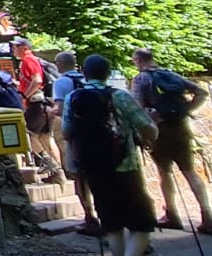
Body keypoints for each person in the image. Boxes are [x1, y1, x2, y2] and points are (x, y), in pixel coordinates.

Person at [65, 55, 158, 256]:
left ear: (85, 73)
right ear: (108, 74)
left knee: (112, 224)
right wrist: (149, 135)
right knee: (142, 224)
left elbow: (66, 132)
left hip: (93, 168)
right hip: (125, 166)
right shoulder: (119, 96)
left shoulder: (72, 98)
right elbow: (148, 128)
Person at [131, 48, 212, 234]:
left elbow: (138, 109)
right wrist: (185, 110)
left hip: (159, 132)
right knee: (190, 171)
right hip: (181, 128)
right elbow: (201, 93)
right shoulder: (170, 74)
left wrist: (147, 126)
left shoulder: (141, 79)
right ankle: (208, 215)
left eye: (134, 60)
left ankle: (172, 214)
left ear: (138, 60)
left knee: (164, 172)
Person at [51, 50, 99, 235]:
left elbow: (61, 110)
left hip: (77, 136)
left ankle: (90, 218)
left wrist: (51, 112)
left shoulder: (61, 82)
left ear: (60, 64)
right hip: (99, 134)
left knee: (79, 177)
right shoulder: (88, 79)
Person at [12, 37, 61, 182]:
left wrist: (25, 95)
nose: (13, 49)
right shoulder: (29, 60)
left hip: (36, 104)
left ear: (25, 48)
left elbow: (37, 79)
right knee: (46, 137)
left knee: (30, 134)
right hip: (42, 104)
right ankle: (58, 172)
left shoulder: (28, 60)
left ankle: (50, 164)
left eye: (16, 47)